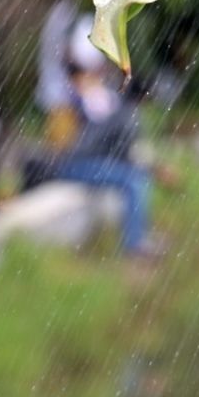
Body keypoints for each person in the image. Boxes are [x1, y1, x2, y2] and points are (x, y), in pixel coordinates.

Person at [51, 16, 158, 259]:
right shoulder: (121, 115)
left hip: (87, 162)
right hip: (73, 165)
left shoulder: (112, 103)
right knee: (132, 181)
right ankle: (135, 245)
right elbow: (124, 154)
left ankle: (140, 237)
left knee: (137, 178)